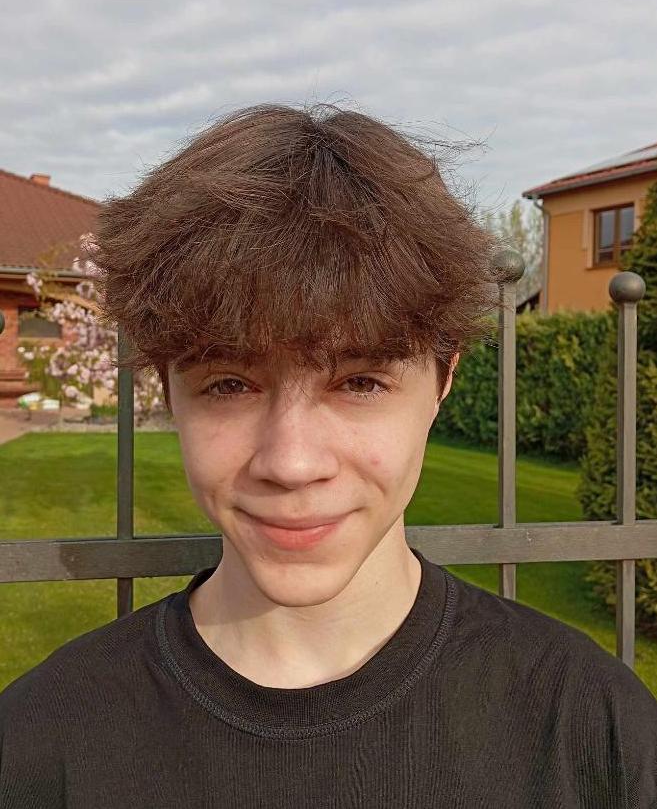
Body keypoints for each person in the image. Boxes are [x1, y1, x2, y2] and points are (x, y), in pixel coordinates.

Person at [1, 103, 656, 808]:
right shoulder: (40, 743)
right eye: (229, 385)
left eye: (360, 382)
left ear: (444, 380)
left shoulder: (592, 729)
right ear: (168, 391)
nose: (290, 462)